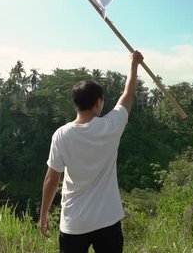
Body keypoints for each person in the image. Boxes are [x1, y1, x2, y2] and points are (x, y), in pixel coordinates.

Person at [39, 50, 144, 253]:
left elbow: (51, 180)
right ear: (98, 102)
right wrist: (134, 64)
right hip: (108, 220)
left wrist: (44, 214)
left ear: (76, 104)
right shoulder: (111, 126)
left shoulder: (61, 135)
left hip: (74, 223)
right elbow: (128, 95)